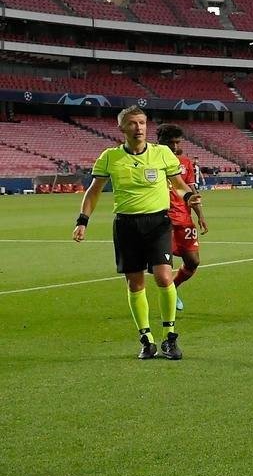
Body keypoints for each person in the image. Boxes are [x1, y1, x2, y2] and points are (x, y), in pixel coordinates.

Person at [73, 106, 204, 360]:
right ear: (122, 128)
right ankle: (146, 339)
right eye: (133, 123)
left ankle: (170, 337)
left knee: (164, 277)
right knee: (135, 283)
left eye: (142, 122)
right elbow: (94, 191)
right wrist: (82, 221)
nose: (139, 128)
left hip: (158, 223)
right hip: (126, 225)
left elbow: (178, 184)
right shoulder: (110, 157)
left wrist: (188, 196)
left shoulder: (162, 153)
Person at [156, 123, 208, 311]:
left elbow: (192, 191)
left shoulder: (185, 162)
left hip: (184, 219)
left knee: (193, 261)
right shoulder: (152, 160)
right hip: (162, 219)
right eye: (171, 142)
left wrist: (200, 215)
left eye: (178, 142)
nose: (175, 146)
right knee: (163, 264)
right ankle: (167, 300)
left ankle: (174, 288)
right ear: (160, 142)